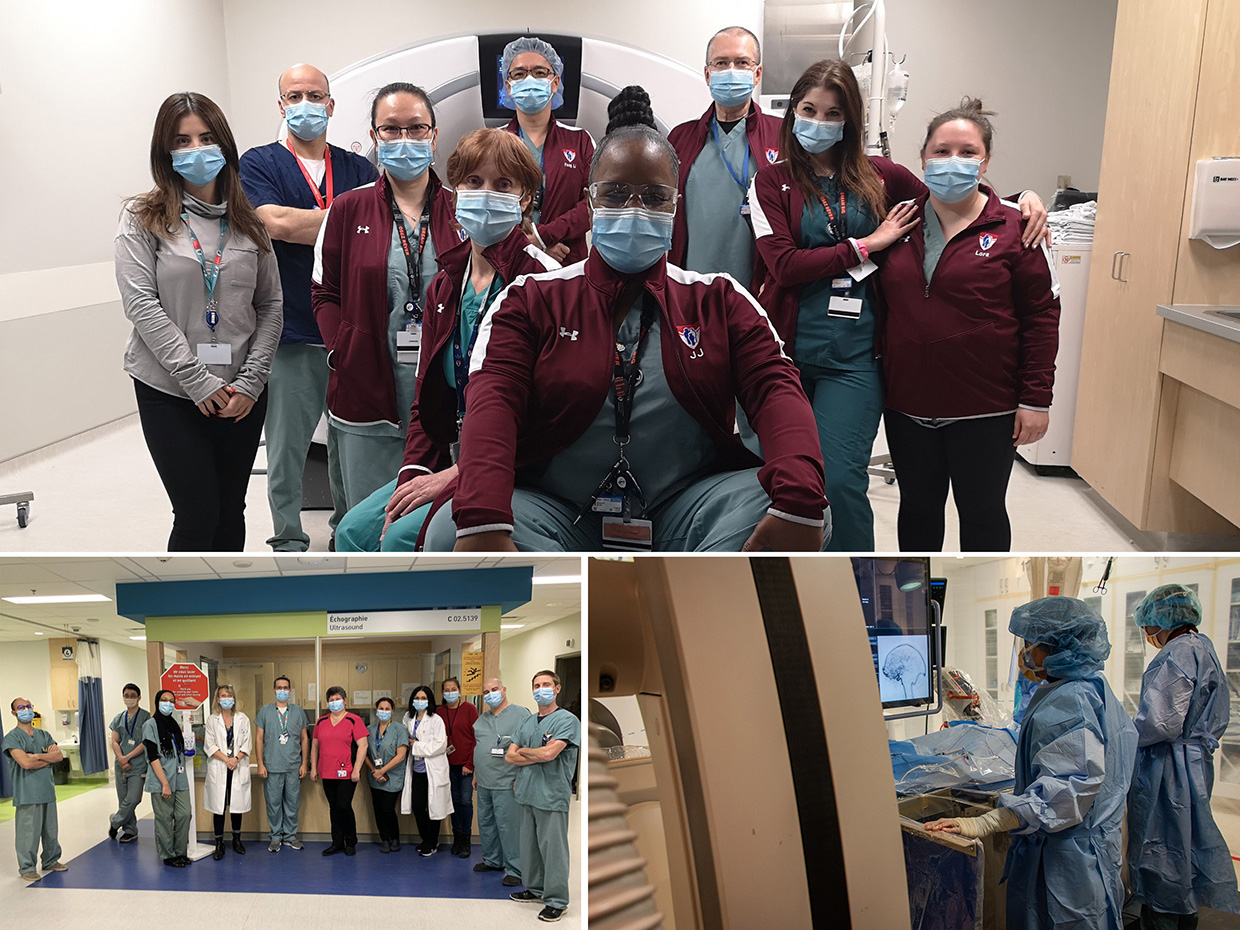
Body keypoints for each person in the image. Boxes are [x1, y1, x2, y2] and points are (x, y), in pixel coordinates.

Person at [423, 92, 829, 553]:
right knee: (450, 531)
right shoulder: (531, 299)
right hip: (558, 511)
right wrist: (484, 521)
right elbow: (492, 403)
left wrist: (797, 501)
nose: (634, 208)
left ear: (675, 206)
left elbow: (778, 389)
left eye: (654, 197)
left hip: (685, 507)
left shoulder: (720, 299)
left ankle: (688, 604)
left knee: (798, 506)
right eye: (615, 194)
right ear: (590, 202)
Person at [750, 63, 1048, 552]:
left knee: (841, 480)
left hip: (855, 357)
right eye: (808, 110)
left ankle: (854, 579)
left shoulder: (880, 176)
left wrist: (1022, 200)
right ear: (791, 113)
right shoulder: (772, 183)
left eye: (833, 113)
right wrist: (868, 245)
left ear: (852, 120)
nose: (819, 121)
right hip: (786, 353)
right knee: (781, 479)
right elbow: (783, 266)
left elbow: (954, 200)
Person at [333, 127, 559, 551]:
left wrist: (457, 475)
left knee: (400, 540)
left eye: (503, 184)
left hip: (512, 460)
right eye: (473, 182)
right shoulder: (444, 285)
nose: (486, 193)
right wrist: (413, 476)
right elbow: (424, 399)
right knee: (352, 531)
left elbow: (549, 413)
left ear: (525, 198)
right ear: (455, 194)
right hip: (448, 451)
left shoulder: (543, 282)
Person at [876, 98, 1061, 552]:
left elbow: (1041, 316)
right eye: (940, 151)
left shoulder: (1018, 229)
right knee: (917, 513)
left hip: (986, 410)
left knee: (982, 513)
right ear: (921, 158)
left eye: (966, 152)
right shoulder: (899, 223)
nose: (951, 162)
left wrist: (1036, 399)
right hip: (906, 406)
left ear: (986, 161)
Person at [116, 91, 282, 550]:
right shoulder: (142, 218)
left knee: (231, 509)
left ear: (224, 145)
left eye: (206, 138)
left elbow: (270, 305)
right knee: (196, 513)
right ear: (164, 151)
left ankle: (231, 615)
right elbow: (141, 304)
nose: (196, 150)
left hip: (240, 392)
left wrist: (251, 381)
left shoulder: (249, 222)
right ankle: (185, 617)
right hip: (170, 388)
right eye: (182, 140)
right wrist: (197, 380)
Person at [926, 597, 1138, 930]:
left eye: (1030, 643)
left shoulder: (1071, 700)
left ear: (1057, 648)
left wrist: (984, 823)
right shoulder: (1093, 689)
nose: (1024, 653)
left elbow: (1070, 787)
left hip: (1067, 865)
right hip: (1091, 854)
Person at [239, 64, 378, 551]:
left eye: (314, 95)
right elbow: (274, 223)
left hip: (352, 329)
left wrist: (313, 223)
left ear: (331, 104)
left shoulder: (359, 167)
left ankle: (347, 527)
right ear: (281, 107)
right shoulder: (258, 163)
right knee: (288, 445)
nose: (305, 104)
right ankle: (288, 536)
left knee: (347, 442)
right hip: (292, 328)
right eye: (294, 96)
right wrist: (347, 223)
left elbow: (378, 229)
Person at [311, 82, 459, 519]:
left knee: (430, 523)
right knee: (366, 518)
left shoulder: (462, 211)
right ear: (375, 137)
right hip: (367, 386)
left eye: (416, 129)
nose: (404, 140)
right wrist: (343, 350)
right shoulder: (347, 210)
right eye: (391, 130)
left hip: (443, 387)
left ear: (433, 135)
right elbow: (324, 291)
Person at [1128, 584, 1240, 929]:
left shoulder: (1176, 654)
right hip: (1194, 763)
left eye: (1147, 627)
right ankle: (1183, 917)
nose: (1147, 635)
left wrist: (1123, 735)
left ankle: (1163, 919)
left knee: (1162, 851)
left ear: (1160, 620)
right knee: (1187, 847)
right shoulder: (1203, 646)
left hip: (1169, 767)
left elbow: (1159, 722)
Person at [667, 25, 781, 290]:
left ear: (757, 74)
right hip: (690, 283)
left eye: (742, 63)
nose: (731, 70)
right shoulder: (681, 138)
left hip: (758, 285)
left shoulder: (782, 136)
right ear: (708, 75)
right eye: (721, 63)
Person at [499, 36, 593, 263]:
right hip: (510, 260)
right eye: (519, 74)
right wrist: (528, 246)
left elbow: (594, 203)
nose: (529, 79)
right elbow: (487, 206)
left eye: (540, 73)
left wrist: (543, 236)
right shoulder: (494, 142)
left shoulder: (580, 140)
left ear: (555, 82)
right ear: (509, 87)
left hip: (566, 260)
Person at [507, 671, 580, 923]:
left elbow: (549, 755)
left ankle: (557, 900)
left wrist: (526, 752)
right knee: (530, 848)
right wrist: (536, 753)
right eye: (537, 686)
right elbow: (509, 756)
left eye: (546, 685)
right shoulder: (527, 722)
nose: (541, 689)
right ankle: (535, 889)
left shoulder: (567, 721)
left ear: (557, 689)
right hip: (527, 793)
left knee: (553, 849)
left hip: (551, 794)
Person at [472, 678, 529, 887]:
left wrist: (520, 777)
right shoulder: (482, 719)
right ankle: (492, 860)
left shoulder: (521, 715)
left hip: (507, 782)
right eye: (486, 692)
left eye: (494, 690)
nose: (490, 695)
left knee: (508, 826)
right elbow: (480, 748)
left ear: (504, 690)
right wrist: (477, 774)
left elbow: (526, 748)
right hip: (485, 781)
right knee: (486, 823)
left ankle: (515, 869)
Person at [3, 698, 67, 881]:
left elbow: (58, 756)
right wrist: (46, 757)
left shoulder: (44, 735)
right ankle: (27, 868)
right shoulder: (12, 738)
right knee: (27, 833)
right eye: (21, 707)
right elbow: (25, 763)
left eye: (29, 706)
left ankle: (50, 860)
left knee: (50, 830)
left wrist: (38, 755)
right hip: (27, 793)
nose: (26, 710)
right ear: (14, 713)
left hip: (47, 791)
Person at [309, 686, 368, 856]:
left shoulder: (354, 720)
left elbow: (363, 746)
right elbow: (315, 745)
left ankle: (350, 841)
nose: (334, 703)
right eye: (331, 700)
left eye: (337, 699)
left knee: (344, 805)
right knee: (333, 808)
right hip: (327, 772)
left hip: (347, 772)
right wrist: (313, 768)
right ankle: (337, 843)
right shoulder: (321, 721)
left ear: (345, 700)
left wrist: (357, 769)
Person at [254, 675, 310, 852]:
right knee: (274, 804)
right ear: (273, 690)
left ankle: (290, 837)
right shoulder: (265, 711)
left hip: (293, 766)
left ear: (290, 690)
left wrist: (304, 763)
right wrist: (260, 764)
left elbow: (304, 739)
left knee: (292, 804)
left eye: (286, 688)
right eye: (279, 687)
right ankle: (276, 837)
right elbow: (259, 738)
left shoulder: (298, 712)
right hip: (272, 767)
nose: (282, 691)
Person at [400, 685, 452, 856]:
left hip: (433, 769)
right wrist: (411, 745)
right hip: (416, 769)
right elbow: (404, 738)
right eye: (417, 698)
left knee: (434, 807)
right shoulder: (408, 717)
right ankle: (425, 838)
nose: (420, 701)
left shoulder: (436, 720)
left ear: (429, 701)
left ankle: (431, 842)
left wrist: (417, 746)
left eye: (423, 698)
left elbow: (440, 745)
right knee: (418, 806)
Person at [143, 690, 193, 868]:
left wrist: (187, 727)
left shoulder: (173, 725)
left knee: (184, 814)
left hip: (179, 778)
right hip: (161, 779)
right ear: (157, 702)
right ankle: (168, 855)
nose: (168, 704)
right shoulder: (150, 725)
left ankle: (180, 852)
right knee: (164, 818)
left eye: (171, 701)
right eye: (164, 700)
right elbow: (152, 756)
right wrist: (164, 783)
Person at [203, 685, 252, 860]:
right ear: (217, 699)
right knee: (219, 808)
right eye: (223, 695)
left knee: (236, 807)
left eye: (229, 695)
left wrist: (236, 759)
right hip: (220, 767)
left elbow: (247, 743)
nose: (226, 698)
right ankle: (219, 843)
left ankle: (237, 840)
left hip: (237, 767)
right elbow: (209, 744)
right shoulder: (211, 720)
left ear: (234, 699)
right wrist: (227, 760)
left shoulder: (242, 718)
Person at [439, 677, 478, 857]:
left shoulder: (469, 709)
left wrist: (470, 764)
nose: (450, 692)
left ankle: (466, 839)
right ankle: (457, 837)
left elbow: (477, 738)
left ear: (460, 691)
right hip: (446, 766)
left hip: (465, 766)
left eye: (453, 689)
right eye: (446, 690)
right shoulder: (440, 711)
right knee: (453, 803)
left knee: (464, 801)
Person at [363, 696, 408, 852]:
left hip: (392, 777)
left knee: (387, 809)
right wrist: (374, 771)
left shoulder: (400, 729)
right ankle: (385, 839)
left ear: (392, 711)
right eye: (381, 708)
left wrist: (382, 770)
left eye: (387, 709)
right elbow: (364, 753)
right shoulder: (369, 730)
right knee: (377, 809)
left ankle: (395, 838)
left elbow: (401, 755)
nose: (384, 711)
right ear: (376, 710)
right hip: (374, 775)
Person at [108, 682, 150, 844]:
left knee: (133, 799)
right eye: (126, 696)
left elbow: (145, 742)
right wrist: (121, 758)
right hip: (121, 766)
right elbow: (114, 741)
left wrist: (128, 757)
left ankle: (115, 822)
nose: (129, 699)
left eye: (133, 696)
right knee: (123, 799)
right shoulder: (118, 718)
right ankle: (130, 830)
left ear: (139, 698)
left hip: (137, 764)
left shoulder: (146, 717)